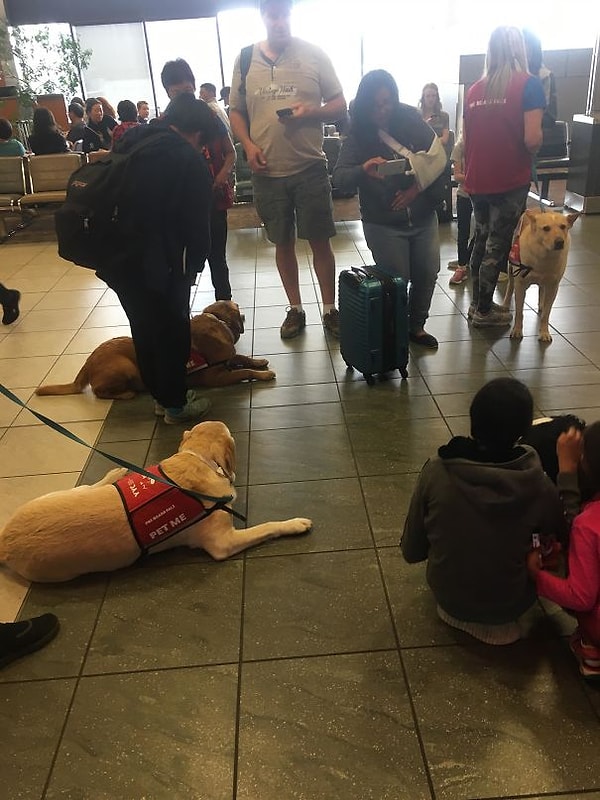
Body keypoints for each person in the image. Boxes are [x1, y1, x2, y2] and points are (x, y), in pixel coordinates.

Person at [401, 377, 565, 644]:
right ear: (523, 432)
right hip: (513, 604)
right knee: (540, 538)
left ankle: (466, 611)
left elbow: (412, 550)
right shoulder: (540, 484)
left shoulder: (437, 470)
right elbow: (560, 535)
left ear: (473, 419)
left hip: (448, 599)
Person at [229, 0, 347, 339]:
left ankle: (330, 308)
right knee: (281, 243)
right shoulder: (245, 58)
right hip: (266, 171)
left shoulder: (314, 54)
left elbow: (341, 104)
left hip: (309, 165)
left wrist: (311, 112)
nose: (279, 20)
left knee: (320, 241)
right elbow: (236, 111)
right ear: (264, 17)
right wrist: (248, 147)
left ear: (291, 15)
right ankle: (295, 309)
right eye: (273, 14)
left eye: (284, 13)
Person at [100, 93, 218, 424]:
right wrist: (194, 264)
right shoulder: (185, 157)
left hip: (118, 257)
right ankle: (176, 405)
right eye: (201, 140)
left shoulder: (130, 140)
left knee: (144, 327)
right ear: (194, 132)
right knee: (171, 331)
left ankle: (160, 397)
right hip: (162, 261)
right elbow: (198, 225)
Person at [333, 69, 446, 349]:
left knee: (427, 272)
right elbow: (340, 177)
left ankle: (416, 327)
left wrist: (415, 191)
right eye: (376, 105)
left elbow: (438, 160)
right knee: (397, 282)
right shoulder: (358, 132)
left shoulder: (409, 118)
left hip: (422, 213)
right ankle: (394, 334)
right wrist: (364, 169)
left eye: (387, 102)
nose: (383, 110)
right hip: (383, 222)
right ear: (365, 104)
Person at [464, 26, 545, 328]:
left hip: (477, 179)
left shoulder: (474, 90)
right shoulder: (529, 85)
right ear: (519, 49)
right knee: (497, 245)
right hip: (509, 178)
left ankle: (477, 304)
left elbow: (469, 137)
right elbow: (532, 139)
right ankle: (485, 311)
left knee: (481, 240)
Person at [528, 422, 600, 678]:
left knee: (567, 564)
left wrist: (539, 578)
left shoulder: (587, 524)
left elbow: (581, 597)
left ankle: (593, 651)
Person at [161, 60, 236, 302]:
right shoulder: (164, 123)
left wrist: (221, 176)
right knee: (184, 264)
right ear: (167, 93)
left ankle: (226, 311)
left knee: (218, 259)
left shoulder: (209, 116)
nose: (183, 96)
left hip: (213, 199)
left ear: (193, 86)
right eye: (176, 92)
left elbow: (230, 152)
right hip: (181, 205)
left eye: (187, 90)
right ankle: (183, 317)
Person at [447, 135, 472, 285]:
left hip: (484, 195)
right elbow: (457, 175)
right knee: (463, 232)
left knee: (484, 231)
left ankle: (468, 257)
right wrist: (477, 177)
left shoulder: (489, 142)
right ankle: (462, 266)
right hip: (465, 194)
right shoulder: (460, 146)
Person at [523, 29, 557, 128]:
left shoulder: (545, 76)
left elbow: (550, 117)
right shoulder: (508, 77)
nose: (525, 49)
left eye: (527, 44)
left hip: (536, 132)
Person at [419, 82, 450, 147]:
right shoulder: (417, 116)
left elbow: (444, 140)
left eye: (433, 96)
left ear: (437, 98)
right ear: (423, 98)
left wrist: (429, 143)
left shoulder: (444, 116)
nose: (431, 99)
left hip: (438, 153)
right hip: (421, 153)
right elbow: (415, 137)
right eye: (428, 96)